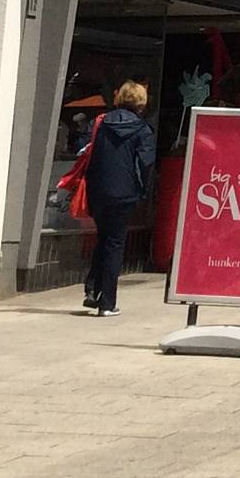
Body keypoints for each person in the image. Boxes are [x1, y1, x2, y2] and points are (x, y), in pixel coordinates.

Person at [80, 80, 157, 317]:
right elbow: (146, 164)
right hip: (125, 194)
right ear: (141, 103)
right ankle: (107, 303)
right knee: (114, 244)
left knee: (102, 239)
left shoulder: (101, 123)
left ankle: (93, 291)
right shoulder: (142, 130)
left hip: (99, 190)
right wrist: (144, 190)